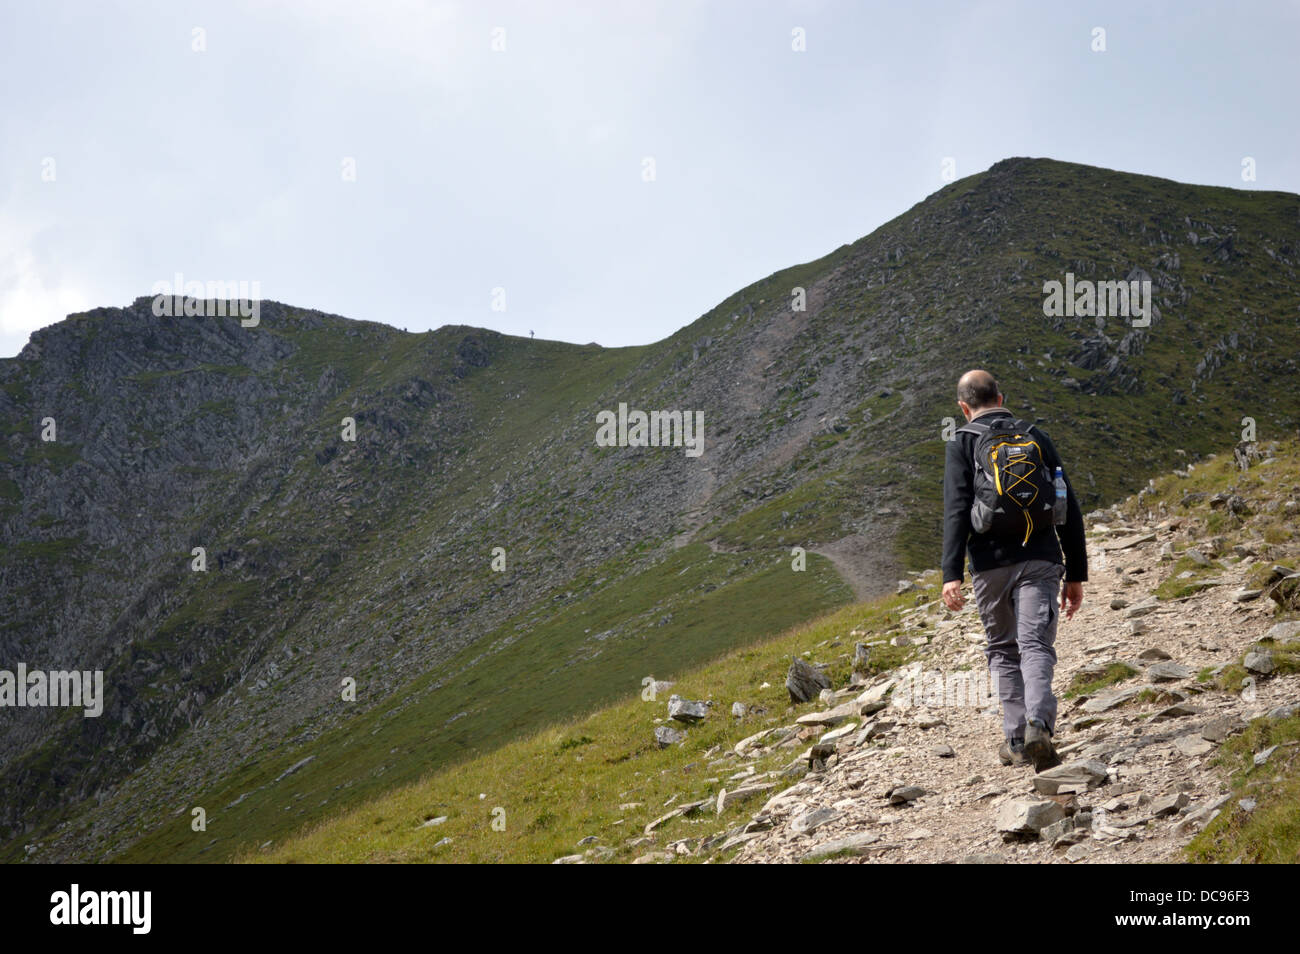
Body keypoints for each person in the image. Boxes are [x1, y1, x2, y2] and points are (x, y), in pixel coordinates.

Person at [940, 370, 1086, 771]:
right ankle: (1040, 724)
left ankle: (1017, 739)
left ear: (963, 407)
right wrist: (1075, 572)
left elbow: (956, 510)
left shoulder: (962, 441)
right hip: (1042, 557)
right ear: (1001, 396)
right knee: (1036, 644)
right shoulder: (1035, 435)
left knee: (1004, 649)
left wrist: (950, 573)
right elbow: (1067, 505)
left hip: (989, 565)